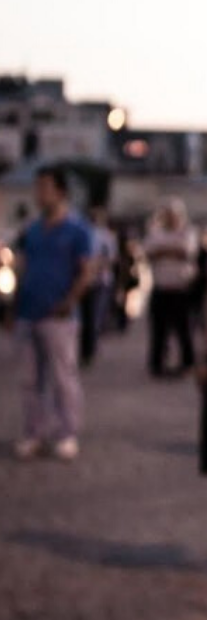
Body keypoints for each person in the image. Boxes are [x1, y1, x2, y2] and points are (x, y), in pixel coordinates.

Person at [10, 167, 95, 461]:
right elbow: (21, 268)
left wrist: (69, 302)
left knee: (62, 377)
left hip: (58, 316)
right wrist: (13, 306)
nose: (39, 194)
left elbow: (86, 271)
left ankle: (66, 432)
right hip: (28, 312)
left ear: (61, 192)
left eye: (45, 188)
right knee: (30, 380)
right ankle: (34, 432)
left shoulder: (77, 230)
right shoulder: (32, 230)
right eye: (37, 187)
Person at [142, 197, 199, 376]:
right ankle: (157, 363)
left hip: (180, 289)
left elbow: (186, 252)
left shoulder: (188, 232)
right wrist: (170, 251)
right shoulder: (156, 233)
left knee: (184, 330)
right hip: (161, 288)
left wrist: (163, 251)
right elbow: (149, 253)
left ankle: (187, 363)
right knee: (159, 330)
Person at [79, 207, 117, 367]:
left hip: (100, 281)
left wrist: (95, 267)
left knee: (94, 317)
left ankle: (90, 348)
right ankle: (86, 349)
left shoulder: (106, 236)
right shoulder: (85, 233)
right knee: (87, 317)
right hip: (87, 281)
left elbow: (110, 258)